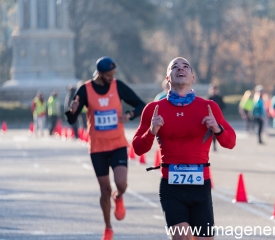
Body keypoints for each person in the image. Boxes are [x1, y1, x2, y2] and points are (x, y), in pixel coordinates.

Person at [132, 57, 236, 240]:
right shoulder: (154, 109)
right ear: (168, 78)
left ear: (192, 77)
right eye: (175, 67)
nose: (181, 68)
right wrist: (151, 131)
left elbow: (231, 142)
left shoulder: (209, 107)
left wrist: (217, 129)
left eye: (185, 66)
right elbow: (138, 148)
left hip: (200, 186)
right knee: (183, 237)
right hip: (171, 188)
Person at [65, 56, 145, 240]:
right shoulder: (85, 89)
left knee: (121, 183)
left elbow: (141, 104)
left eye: (113, 74)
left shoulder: (118, 86)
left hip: (117, 144)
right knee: (104, 189)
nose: (112, 77)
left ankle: (119, 197)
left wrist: (130, 114)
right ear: (99, 74)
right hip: (97, 148)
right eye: (109, 75)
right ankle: (108, 228)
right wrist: (73, 109)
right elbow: (71, 119)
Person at [208, 84, 226, 151]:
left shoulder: (220, 97)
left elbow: (224, 106)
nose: (214, 91)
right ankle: (214, 145)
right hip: (212, 116)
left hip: (219, 117)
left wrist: (218, 107)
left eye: (215, 89)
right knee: (212, 131)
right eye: (213, 89)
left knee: (219, 130)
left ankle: (220, 143)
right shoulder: (210, 98)